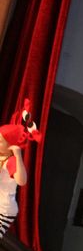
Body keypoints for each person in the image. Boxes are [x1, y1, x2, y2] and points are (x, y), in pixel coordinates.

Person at [0, 99, 40, 239]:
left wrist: (17, 156)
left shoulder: (11, 161)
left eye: (0, 142)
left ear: (10, 145)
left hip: (3, 210)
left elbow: (22, 181)